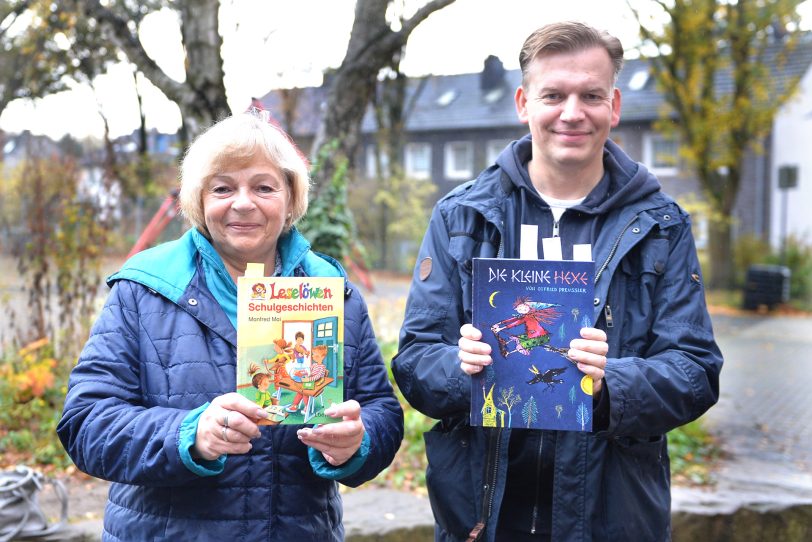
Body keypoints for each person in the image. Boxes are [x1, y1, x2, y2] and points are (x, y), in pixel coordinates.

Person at [392, 21, 722, 542]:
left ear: (613, 106)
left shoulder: (661, 225)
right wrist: (462, 370)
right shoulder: (462, 217)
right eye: (554, 95)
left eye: (591, 95)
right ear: (524, 103)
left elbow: (696, 370)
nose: (572, 113)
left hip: (611, 518)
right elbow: (413, 359)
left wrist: (613, 381)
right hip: (483, 517)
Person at [57, 112, 404, 541]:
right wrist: (189, 433)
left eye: (263, 187)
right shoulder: (143, 290)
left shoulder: (331, 291)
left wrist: (358, 442)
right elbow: (86, 422)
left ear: (291, 197)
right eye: (223, 188)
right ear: (198, 199)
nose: (243, 203)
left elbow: (381, 411)